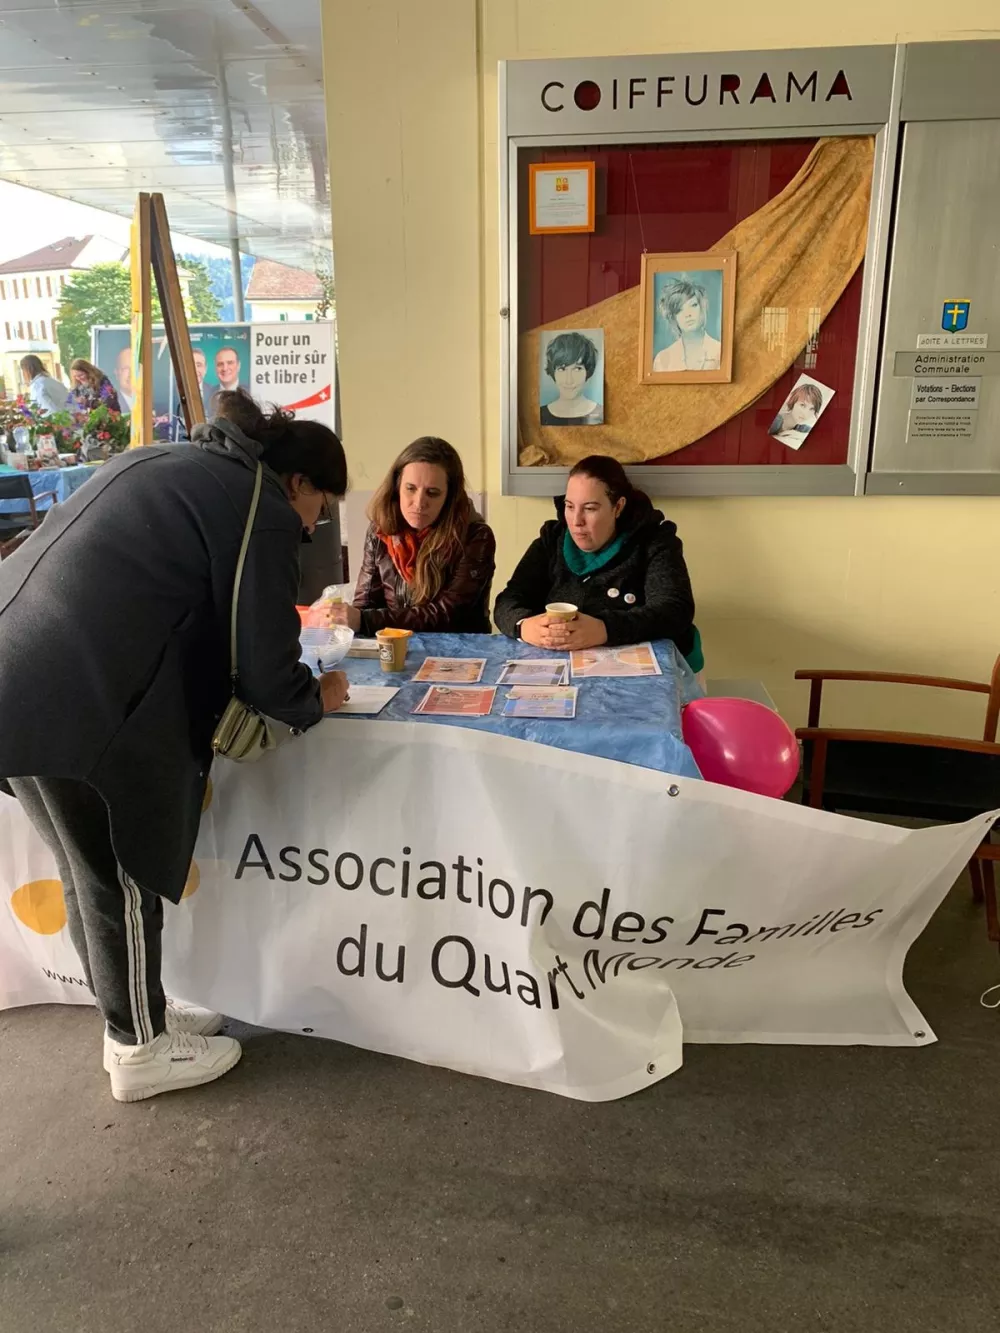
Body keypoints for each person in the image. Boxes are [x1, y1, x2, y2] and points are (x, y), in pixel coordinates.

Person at [0, 391, 349, 1103]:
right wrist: (317, 696)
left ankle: (134, 1017)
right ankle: (140, 1049)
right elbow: (266, 667)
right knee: (118, 872)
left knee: (83, 867)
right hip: (74, 686)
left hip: (18, 663)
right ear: (299, 482)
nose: (313, 526)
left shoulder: (179, 458)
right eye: (321, 507)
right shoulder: (259, 505)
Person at [493, 454, 700, 668]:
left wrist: (604, 629)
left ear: (618, 507)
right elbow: (508, 600)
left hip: (636, 671)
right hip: (560, 668)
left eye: (590, 508)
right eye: (570, 506)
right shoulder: (552, 539)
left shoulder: (654, 541)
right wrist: (524, 626)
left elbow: (674, 610)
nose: (576, 521)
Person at [329, 436, 496, 635]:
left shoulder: (476, 536)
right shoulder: (380, 530)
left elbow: (448, 615)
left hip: (460, 650)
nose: (419, 503)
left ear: (449, 497)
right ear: (397, 487)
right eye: (410, 489)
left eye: (432, 493)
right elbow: (365, 604)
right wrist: (347, 618)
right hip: (396, 644)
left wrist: (364, 620)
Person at [652, 278, 722, 373]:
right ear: (673, 317)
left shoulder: (720, 351)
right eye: (679, 310)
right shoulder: (663, 359)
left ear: (703, 307)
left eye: (693, 305)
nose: (688, 314)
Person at [540, 331, 603, 425]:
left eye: (577, 369)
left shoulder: (600, 414)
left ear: (588, 371)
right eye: (562, 369)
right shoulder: (541, 415)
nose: (569, 380)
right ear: (553, 372)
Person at [113, 345, 134, 413]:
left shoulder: (153, 403)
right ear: (117, 374)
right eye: (126, 368)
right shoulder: (111, 406)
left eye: (135, 368)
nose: (131, 374)